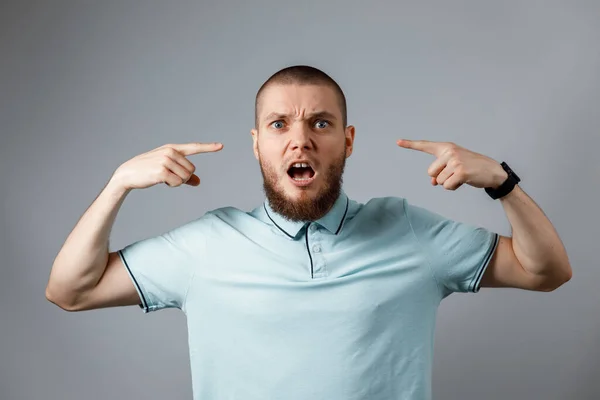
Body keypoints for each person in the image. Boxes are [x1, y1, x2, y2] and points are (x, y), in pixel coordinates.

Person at [45, 65, 572, 400]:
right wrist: (118, 184)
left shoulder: (408, 230)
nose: (300, 141)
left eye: (319, 124)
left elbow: (545, 271)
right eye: (280, 125)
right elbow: (72, 290)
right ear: (257, 145)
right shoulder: (207, 246)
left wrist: (503, 184)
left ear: (347, 142)